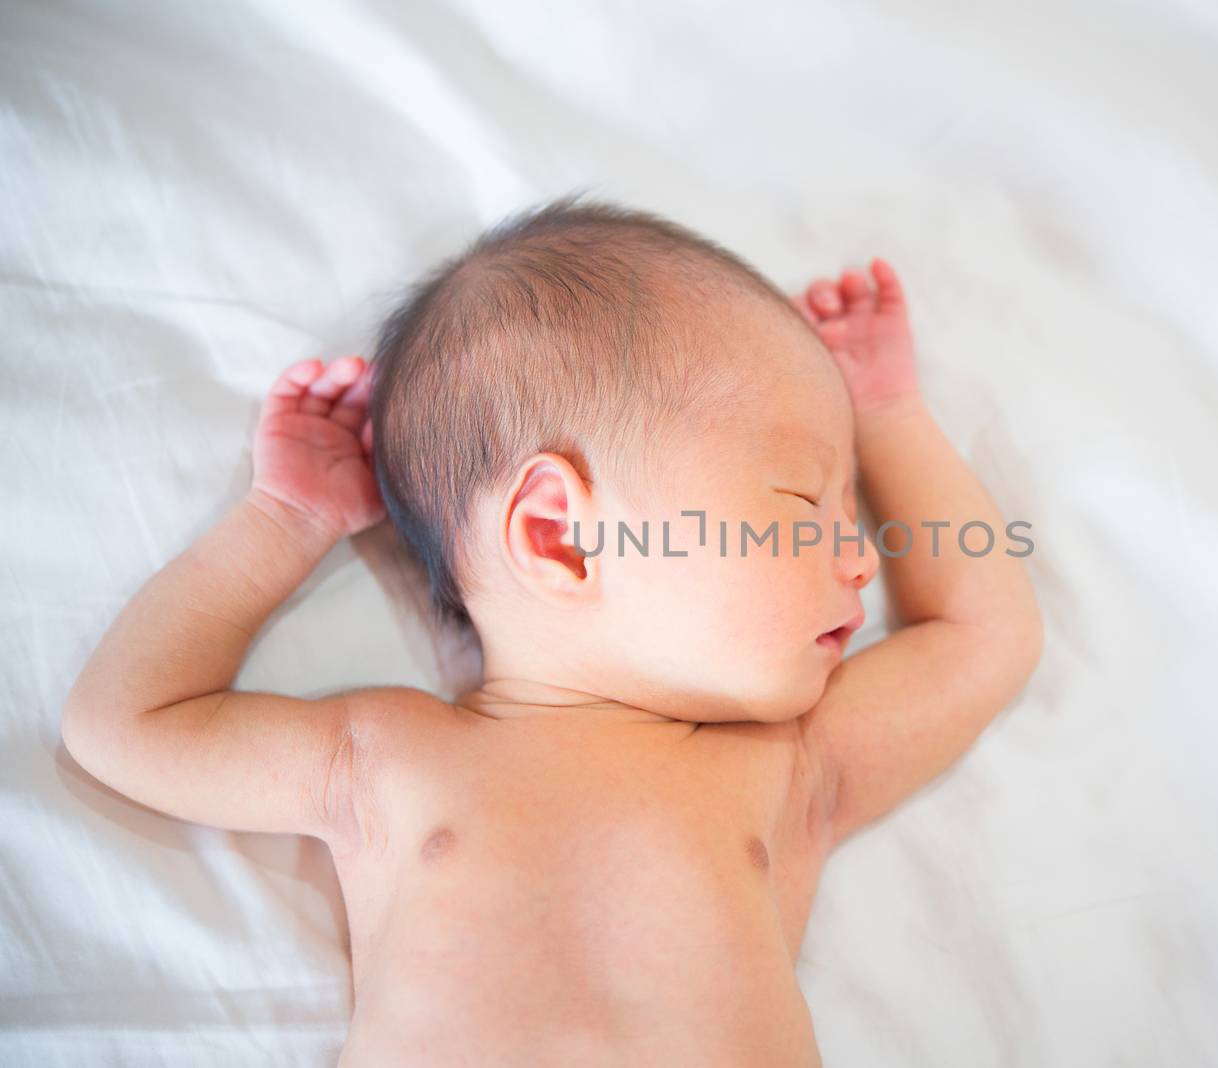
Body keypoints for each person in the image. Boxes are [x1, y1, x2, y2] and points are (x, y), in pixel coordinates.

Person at [62, 195, 1044, 1065]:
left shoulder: (789, 764)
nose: (861, 556)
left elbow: (980, 634)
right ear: (559, 536)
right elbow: (125, 725)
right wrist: (282, 525)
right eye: (802, 500)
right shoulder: (384, 757)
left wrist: (888, 416)